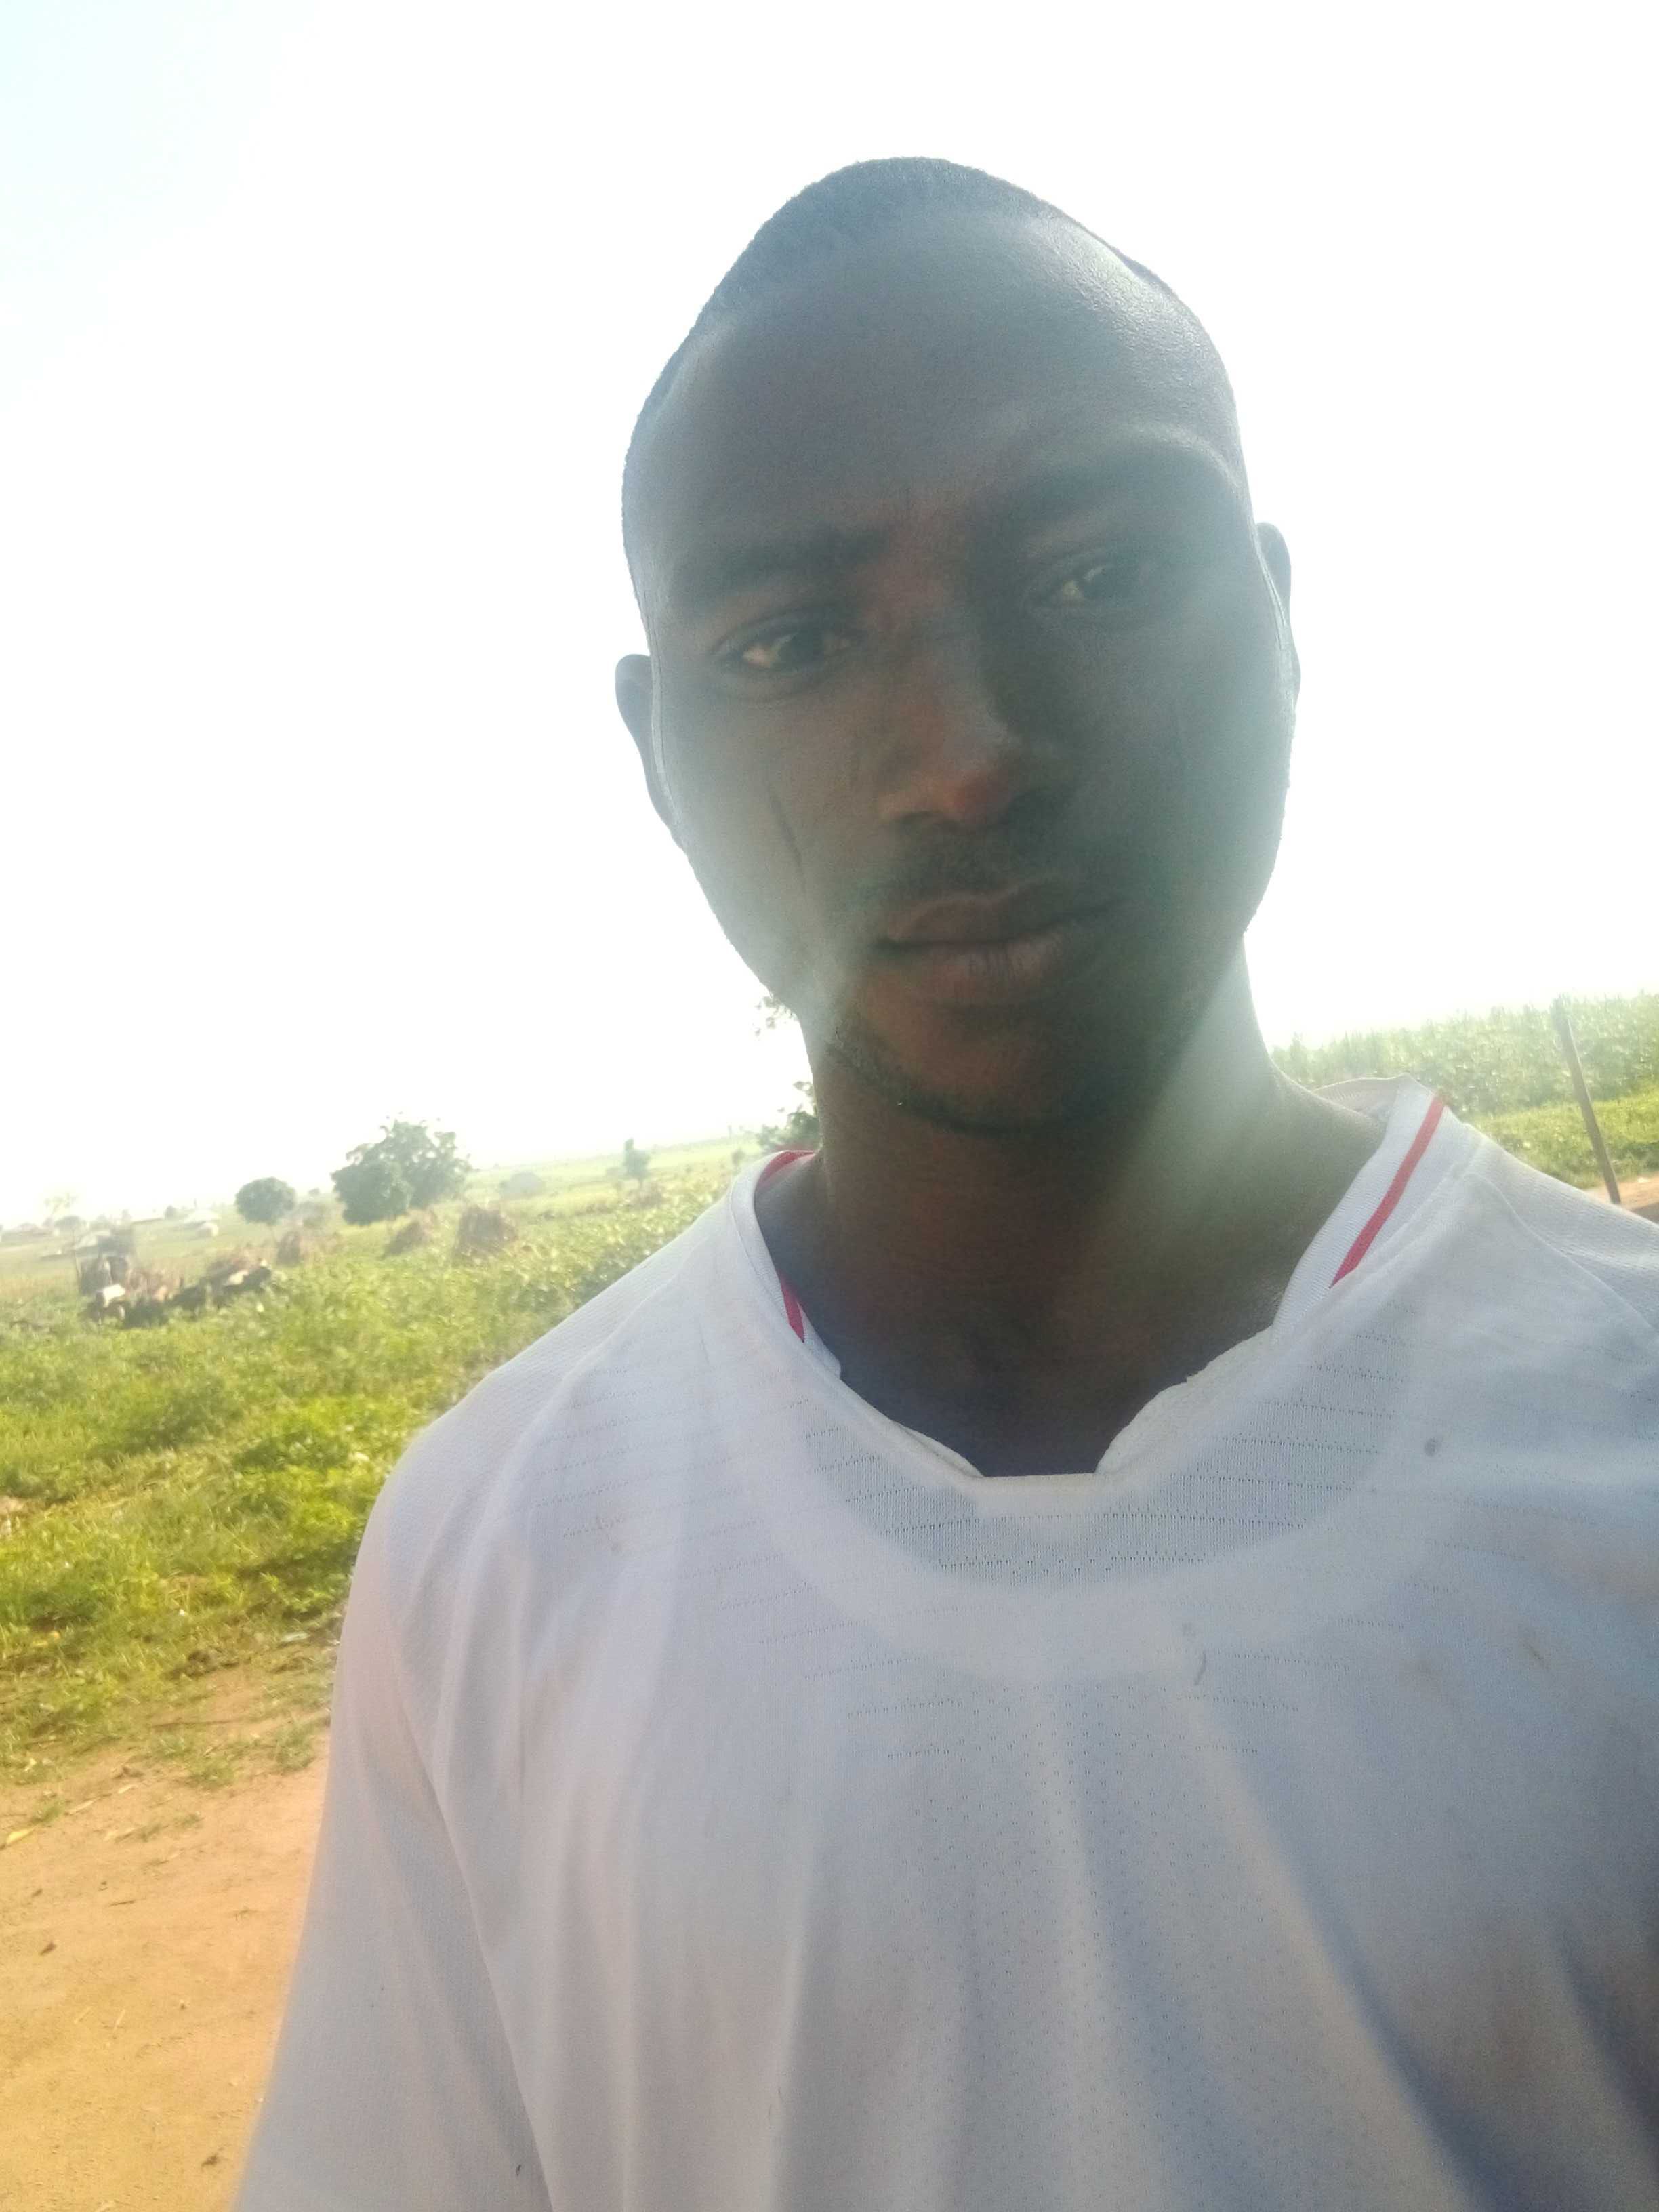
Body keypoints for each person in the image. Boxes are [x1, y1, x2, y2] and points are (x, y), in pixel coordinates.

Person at [236, 159, 1659, 2210]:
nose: (967, 750)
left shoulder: (1622, 1422)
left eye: (1101, 575)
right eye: (791, 641)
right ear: (656, 759)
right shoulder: (501, 1546)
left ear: (1279, 619)